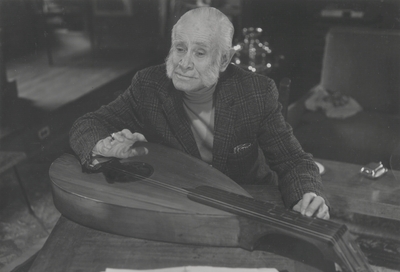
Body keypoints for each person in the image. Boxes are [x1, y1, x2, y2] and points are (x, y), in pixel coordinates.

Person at [69, 7, 329, 220]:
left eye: (200, 52)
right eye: (180, 48)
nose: (183, 63)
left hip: (247, 200)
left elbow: (293, 161)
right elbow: (89, 122)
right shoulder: (148, 85)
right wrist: (102, 146)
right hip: (179, 203)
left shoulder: (257, 92)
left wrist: (307, 195)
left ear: (224, 60)